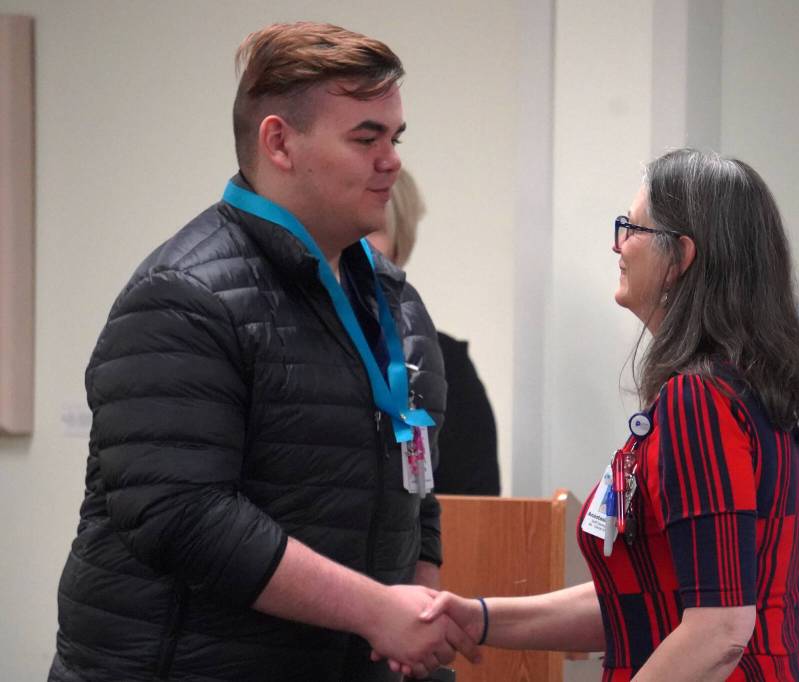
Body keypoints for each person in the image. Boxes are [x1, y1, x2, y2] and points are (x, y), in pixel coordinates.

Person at [48, 21, 479, 682]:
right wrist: (374, 610)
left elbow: (413, 484)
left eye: (395, 138)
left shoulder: (394, 300)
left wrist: (416, 620)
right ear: (279, 141)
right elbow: (185, 518)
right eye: (365, 137)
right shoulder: (184, 296)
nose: (391, 159)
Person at [409, 149, 799, 681]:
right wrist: (480, 618)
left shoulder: (700, 401)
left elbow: (720, 629)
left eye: (631, 228)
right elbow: (642, 606)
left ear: (680, 256)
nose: (617, 244)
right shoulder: (736, 391)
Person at [367, 169, 500, 495]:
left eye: (373, 230)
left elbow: (477, 514)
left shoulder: (447, 364)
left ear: (399, 247)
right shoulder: (283, 343)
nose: (357, 246)